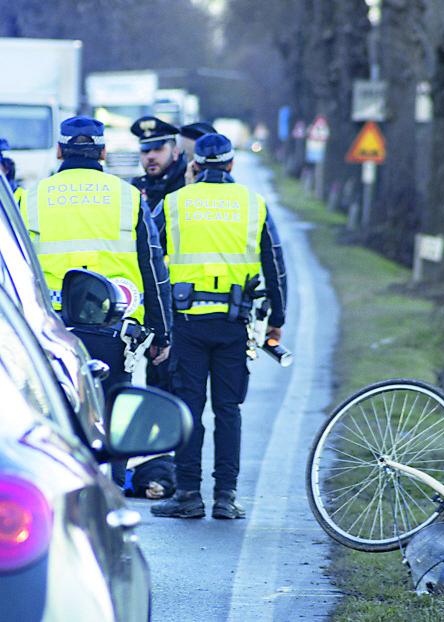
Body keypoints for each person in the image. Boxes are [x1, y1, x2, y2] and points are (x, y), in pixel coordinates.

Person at [151, 133, 287, 520]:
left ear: (196, 165)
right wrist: (277, 320)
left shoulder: (174, 203)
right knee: (229, 410)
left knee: (189, 409)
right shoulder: (252, 204)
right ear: (231, 165)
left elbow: (151, 258)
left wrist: (155, 321)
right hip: (233, 324)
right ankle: (226, 497)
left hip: (187, 324)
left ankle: (189, 494)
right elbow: (275, 266)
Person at [18, 115, 173, 395]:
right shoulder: (129, 196)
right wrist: (161, 332)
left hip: (53, 328)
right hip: (115, 329)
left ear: (59, 150)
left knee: (60, 413)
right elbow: (152, 266)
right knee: (112, 414)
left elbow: (14, 266)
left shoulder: (30, 197)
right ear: (103, 152)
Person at [129, 116, 186, 393]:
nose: (150, 156)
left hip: (183, 302)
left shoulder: (186, 188)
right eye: (145, 150)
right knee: (156, 386)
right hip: (153, 303)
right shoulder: (135, 190)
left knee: (179, 388)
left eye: (157, 149)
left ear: (174, 151)